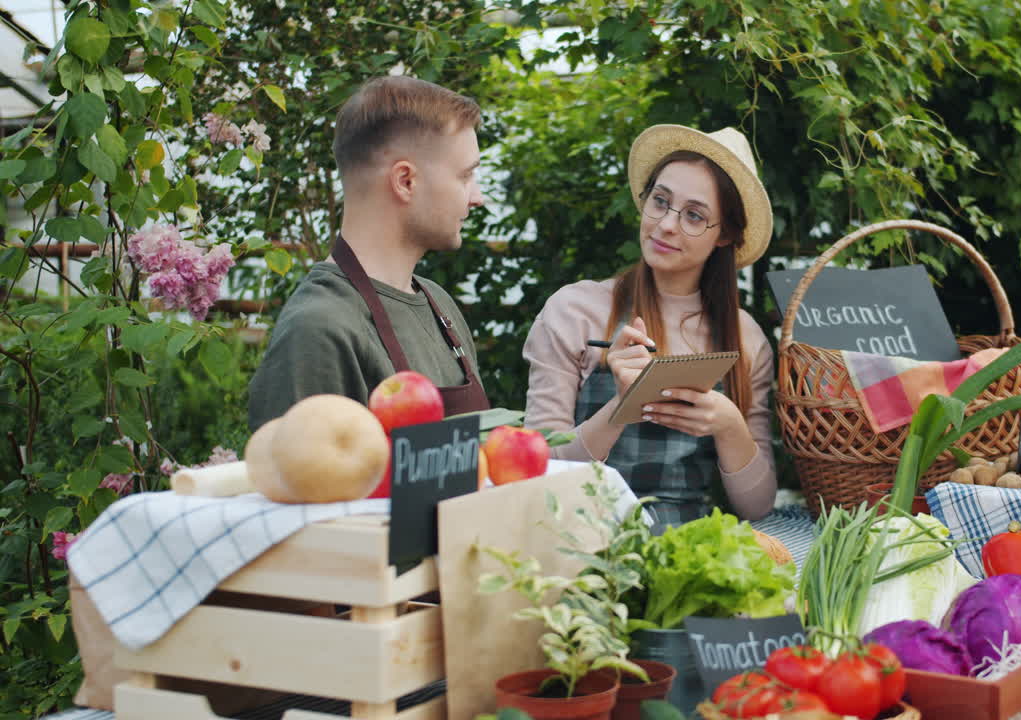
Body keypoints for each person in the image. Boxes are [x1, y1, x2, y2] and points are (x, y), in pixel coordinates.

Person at [523, 124, 777, 530]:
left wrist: (730, 426)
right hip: (578, 541)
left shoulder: (747, 339)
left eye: (694, 215)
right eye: (660, 201)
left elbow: (757, 506)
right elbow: (538, 473)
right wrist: (622, 407)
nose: (666, 225)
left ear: (725, 235)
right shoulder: (574, 311)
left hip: (687, 550)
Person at [248, 76, 490, 431]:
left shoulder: (438, 305)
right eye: (465, 176)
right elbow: (299, 466)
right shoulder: (319, 328)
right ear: (405, 181)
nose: (477, 197)